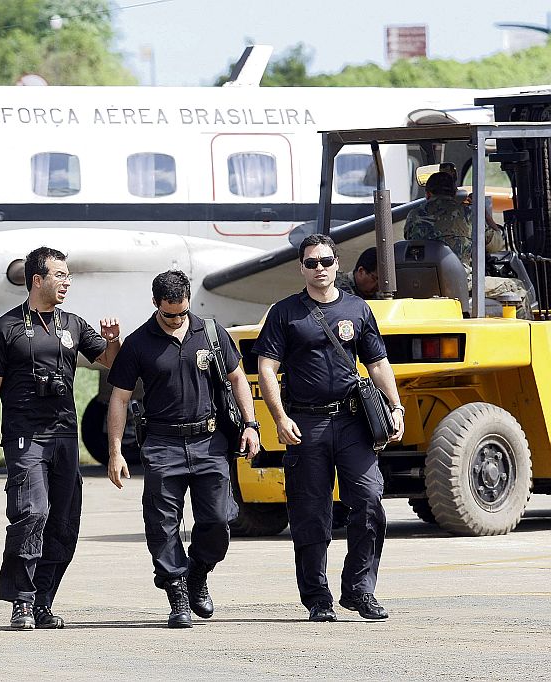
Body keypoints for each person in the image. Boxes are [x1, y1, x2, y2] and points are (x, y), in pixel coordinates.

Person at [254, 234, 404, 623]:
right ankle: (317, 597)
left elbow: (377, 362)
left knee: (369, 500)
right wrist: (279, 417)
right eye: (310, 263)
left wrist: (396, 406)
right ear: (301, 268)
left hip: (353, 421)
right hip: (306, 423)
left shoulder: (357, 308)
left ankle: (359, 590)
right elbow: (266, 368)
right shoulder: (285, 313)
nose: (319, 268)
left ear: (338, 263)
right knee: (310, 513)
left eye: (325, 261)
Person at [0, 246, 120, 631]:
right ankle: (20, 601)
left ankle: (43, 602)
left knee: (64, 523)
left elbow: (111, 363)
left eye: (68, 275)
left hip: (65, 435)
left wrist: (113, 340)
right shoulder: (5, 328)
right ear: (38, 279)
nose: (67, 282)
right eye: (60, 275)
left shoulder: (73, 324)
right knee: (32, 512)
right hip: (25, 436)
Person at [105, 270, 261, 628]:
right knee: (162, 524)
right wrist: (116, 450)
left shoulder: (210, 331)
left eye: (182, 312)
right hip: (162, 444)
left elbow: (238, 377)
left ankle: (198, 573)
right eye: (169, 314)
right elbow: (119, 397)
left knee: (219, 520)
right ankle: (176, 592)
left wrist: (251, 425)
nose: (177, 320)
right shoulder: (139, 342)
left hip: (209, 443)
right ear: (155, 303)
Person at [404, 172, 530, 313]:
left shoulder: (413, 216)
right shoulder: (468, 215)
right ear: (455, 193)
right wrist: (484, 214)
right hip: (460, 282)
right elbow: (496, 245)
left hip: (423, 282)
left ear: (428, 194)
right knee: (517, 287)